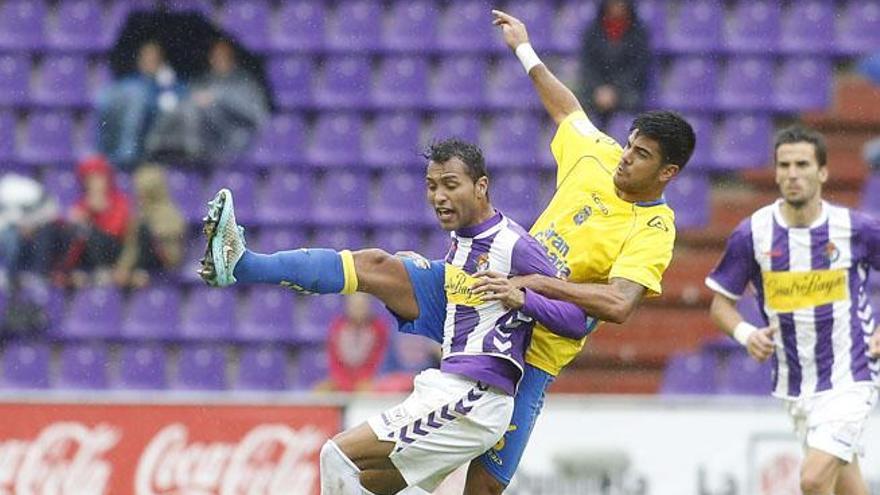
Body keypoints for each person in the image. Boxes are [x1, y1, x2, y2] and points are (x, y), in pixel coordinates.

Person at [198, 139, 595, 494]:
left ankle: (243, 265)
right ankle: (243, 265)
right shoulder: (464, 239)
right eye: (432, 186)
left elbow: (574, 320)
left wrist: (522, 296)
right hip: (447, 388)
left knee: (336, 456)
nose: (439, 196)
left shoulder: (515, 244)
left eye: (450, 185)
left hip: (474, 397)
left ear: (482, 186)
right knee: (367, 487)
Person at [706, 125, 880, 495]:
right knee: (848, 487)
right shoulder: (752, 234)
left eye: (802, 164)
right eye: (784, 165)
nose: (792, 174)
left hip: (852, 373)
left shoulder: (854, 229)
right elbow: (721, 304)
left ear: (823, 172)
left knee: (813, 480)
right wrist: (746, 333)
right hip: (796, 383)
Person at [146, 38, 268, 167]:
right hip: (205, 149)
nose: (220, 60)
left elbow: (258, 117)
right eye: (215, 56)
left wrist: (218, 98)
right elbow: (181, 109)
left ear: (233, 58)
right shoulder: (203, 82)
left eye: (224, 56)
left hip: (237, 146)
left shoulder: (246, 83)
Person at [97, 40, 181, 171]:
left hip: (154, 143)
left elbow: (175, 103)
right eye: (145, 57)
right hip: (128, 141)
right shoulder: (130, 83)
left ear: (161, 62)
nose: (149, 62)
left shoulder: (170, 85)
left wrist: (165, 85)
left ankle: (127, 153)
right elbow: (107, 101)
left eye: (154, 58)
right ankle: (110, 152)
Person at [60, 155, 131, 287]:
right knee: (77, 230)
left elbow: (116, 231)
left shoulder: (119, 201)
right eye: (89, 179)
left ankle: (103, 273)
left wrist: (100, 212)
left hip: (112, 251)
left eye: (98, 178)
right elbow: (71, 230)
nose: (94, 183)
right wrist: (83, 213)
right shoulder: (83, 202)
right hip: (88, 255)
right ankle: (67, 272)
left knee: (88, 230)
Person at [578, 0, 650, 127]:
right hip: (595, 91)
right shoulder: (592, 30)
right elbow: (588, 65)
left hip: (627, 90)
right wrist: (599, 88)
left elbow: (638, 67)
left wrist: (615, 90)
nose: (616, 7)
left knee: (632, 104)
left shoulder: (639, 32)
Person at [113, 164, 185, 288]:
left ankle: (141, 273)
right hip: (142, 266)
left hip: (164, 266)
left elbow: (172, 254)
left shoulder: (171, 214)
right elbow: (132, 246)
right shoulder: (139, 215)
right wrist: (123, 268)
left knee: (145, 231)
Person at [322, 293, 391, 392]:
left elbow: (378, 361)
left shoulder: (379, 329)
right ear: (347, 306)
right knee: (322, 391)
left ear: (368, 306)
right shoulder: (337, 328)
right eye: (354, 306)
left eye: (361, 306)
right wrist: (344, 383)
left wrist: (363, 382)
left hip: (369, 381)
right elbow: (334, 361)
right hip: (341, 380)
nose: (358, 310)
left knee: (368, 390)